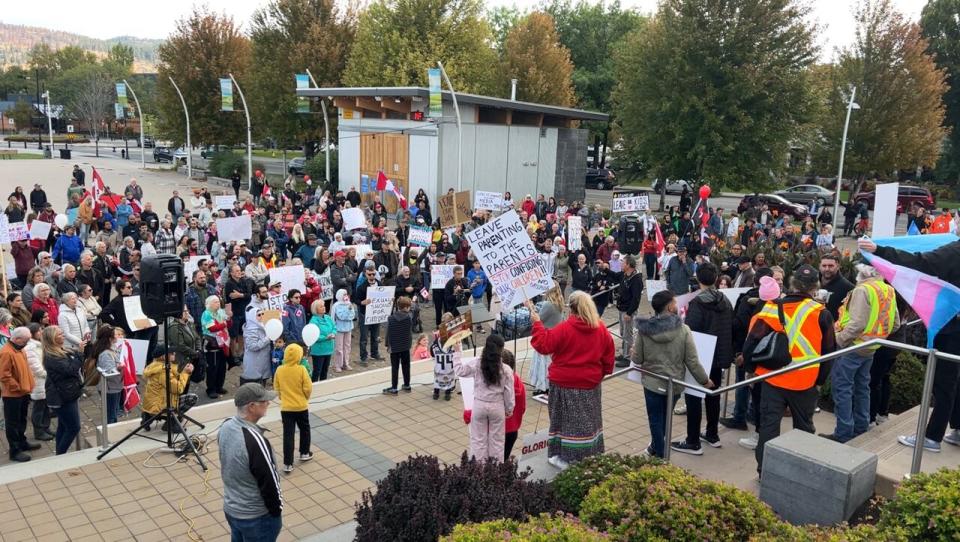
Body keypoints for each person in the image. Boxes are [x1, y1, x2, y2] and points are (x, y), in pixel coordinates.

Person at [743, 264, 836, 473]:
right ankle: (799, 471)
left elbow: (751, 342)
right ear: (815, 287)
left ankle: (764, 470)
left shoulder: (771, 307)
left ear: (791, 284)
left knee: (768, 426)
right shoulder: (822, 313)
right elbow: (829, 351)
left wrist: (750, 368)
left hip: (773, 378)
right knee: (803, 428)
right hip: (805, 381)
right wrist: (820, 380)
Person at [528, 291, 615, 469]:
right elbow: (609, 358)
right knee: (590, 421)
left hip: (564, 385)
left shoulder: (565, 328)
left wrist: (537, 324)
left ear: (571, 308)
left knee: (563, 422)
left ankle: (566, 458)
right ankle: (591, 453)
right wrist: (598, 374)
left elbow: (543, 345)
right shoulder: (600, 328)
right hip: (590, 385)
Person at [823, 264, 899, 443]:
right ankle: (861, 428)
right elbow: (895, 323)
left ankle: (843, 433)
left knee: (842, 389)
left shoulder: (862, 290)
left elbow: (856, 324)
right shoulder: (888, 289)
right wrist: (876, 337)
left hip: (852, 346)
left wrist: (838, 342)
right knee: (862, 388)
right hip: (871, 347)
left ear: (863, 272)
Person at [634, 290, 713, 458]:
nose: (677, 305)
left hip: (652, 382)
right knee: (665, 418)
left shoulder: (644, 329)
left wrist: (635, 351)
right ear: (670, 307)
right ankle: (659, 452)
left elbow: (638, 358)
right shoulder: (684, 330)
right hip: (675, 382)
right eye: (675, 302)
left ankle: (659, 452)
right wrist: (704, 380)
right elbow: (692, 360)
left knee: (655, 419)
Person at [670, 263, 733, 455]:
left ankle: (693, 440)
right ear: (715, 279)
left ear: (698, 279)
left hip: (700, 355)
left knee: (694, 397)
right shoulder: (724, 299)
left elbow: (690, 330)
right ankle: (712, 434)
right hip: (718, 354)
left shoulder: (697, 302)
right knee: (713, 393)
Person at [219, 383, 282, 541]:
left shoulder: (226, 426)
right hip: (256, 517)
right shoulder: (254, 441)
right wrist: (276, 512)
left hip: (232, 509)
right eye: (264, 401)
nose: (268, 403)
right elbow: (269, 482)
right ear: (252, 407)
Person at [455, 335, 515, 462]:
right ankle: (495, 471)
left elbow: (460, 371)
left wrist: (457, 352)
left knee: (478, 441)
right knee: (497, 442)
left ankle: (479, 470)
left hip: (479, 405)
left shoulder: (477, 363)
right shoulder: (506, 370)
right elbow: (509, 392)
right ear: (501, 349)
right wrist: (509, 408)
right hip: (497, 406)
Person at [274, 344, 313, 473]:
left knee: (288, 434)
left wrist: (283, 397)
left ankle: (288, 463)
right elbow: (308, 387)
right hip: (301, 406)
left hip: (286, 408)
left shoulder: (279, 370)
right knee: (304, 429)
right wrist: (304, 398)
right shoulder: (301, 369)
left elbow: (277, 387)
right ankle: (304, 452)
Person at [1, 327, 37, 462]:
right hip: (13, 395)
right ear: (17, 339)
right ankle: (14, 450)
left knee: (22, 419)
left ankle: (22, 442)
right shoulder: (6, 353)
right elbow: (4, 376)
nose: (28, 343)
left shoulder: (19, 349)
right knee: (13, 423)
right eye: (26, 340)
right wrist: (17, 387)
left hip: (23, 391)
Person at [140, 353, 194, 431]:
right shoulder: (163, 371)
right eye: (171, 353)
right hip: (160, 407)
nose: (174, 354)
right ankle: (170, 423)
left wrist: (182, 372)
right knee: (192, 398)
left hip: (151, 405)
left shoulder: (155, 365)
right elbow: (178, 389)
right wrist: (186, 373)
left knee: (179, 416)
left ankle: (148, 416)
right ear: (163, 356)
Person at [529, 286, 565, 395]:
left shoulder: (548, 304)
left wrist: (530, 307)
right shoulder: (560, 303)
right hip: (555, 337)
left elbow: (537, 320)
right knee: (548, 364)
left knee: (542, 365)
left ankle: (543, 387)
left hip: (545, 337)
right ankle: (548, 386)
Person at [24, 324, 52, 441]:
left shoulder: (40, 345)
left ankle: (46, 428)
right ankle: (39, 431)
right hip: (39, 382)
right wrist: (48, 373)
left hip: (44, 381)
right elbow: (36, 368)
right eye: (39, 330)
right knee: (39, 408)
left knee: (45, 406)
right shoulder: (30, 348)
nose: (41, 332)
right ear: (32, 333)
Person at [615, 255, 644, 367]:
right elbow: (614, 276)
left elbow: (636, 298)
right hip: (621, 308)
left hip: (628, 311)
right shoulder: (624, 275)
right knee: (623, 332)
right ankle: (624, 352)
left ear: (628, 265)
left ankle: (628, 357)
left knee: (628, 334)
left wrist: (629, 312)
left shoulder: (636, 279)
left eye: (623, 263)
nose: (621, 264)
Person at [201, 295, 231, 399]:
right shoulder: (206, 314)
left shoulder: (221, 312)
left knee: (222, 367)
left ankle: (219, 386)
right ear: (209, 304)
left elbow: (229, 324)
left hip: (222, 343)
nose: (218, 304)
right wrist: (224, 324)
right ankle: (211, 389)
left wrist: (229, 318)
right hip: (212, 344)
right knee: (213, 367)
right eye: (215, 302)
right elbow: (212, 328)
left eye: (218, 302)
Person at [93, 325, 124, 424]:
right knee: (111, 415)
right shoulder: (106, 353)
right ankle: (111, 436)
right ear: (110, 338)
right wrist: (120, 368)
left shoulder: (112, 348)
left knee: (114, 411)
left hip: (115, 386)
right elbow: (109, 372)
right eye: (115, 335)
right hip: (110, 388)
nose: (117, 337)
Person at [353, 267, 383, 365]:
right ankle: (363, 356)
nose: (372, 276)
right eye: (369, 274)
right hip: (365, 314)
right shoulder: (361, 287)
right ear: (365, 274)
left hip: (376, 313)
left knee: (375, 335)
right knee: (364, 337)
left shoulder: (380, 284)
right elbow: (356, 299)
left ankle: (375, 353)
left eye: (373, 274)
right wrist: (362, 302)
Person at [384, 296, 414, 394]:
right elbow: (415, 308)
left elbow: (388, 333)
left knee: (395, 367)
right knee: (406, 365)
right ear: (407, 307)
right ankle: (407, 384)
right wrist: (413, 301)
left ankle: (394, 387)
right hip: (405, 345)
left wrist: (387, 344)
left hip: (394, 346)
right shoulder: (409, 317)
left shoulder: (391, 318)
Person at [502, 349, 526, 460]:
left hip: (497, 430)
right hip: (512, 430)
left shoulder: (496, 386)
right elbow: (523, 408)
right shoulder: (519, 383)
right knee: (504, 458)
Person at [242, 307, 273, 387]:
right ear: (252, 317)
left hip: (262, 361)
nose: (262, 316)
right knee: (255, 387)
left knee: (262, 384)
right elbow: (252, 346)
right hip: (255, 363)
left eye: (263, 314)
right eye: (259, 315)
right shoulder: (251, 330)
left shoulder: (262, 325)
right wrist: (268, 338)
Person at [307, 300, 336, 382]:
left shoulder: (328, 318)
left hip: (328, 349)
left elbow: (334, 327)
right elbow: (313, 336)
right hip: (318, 351)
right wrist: (326, 337)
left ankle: (324, 387)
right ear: (315, 309)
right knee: (317, 371)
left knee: (325, 371)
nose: (324, 307)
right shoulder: (313, 321)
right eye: (321, 306)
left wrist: (333, 333)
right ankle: (314, 387)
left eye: (323, 305)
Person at [819, 254, 854, 320]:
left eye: (831, 266)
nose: (827, 269)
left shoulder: (848, 288)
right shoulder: (813, 283)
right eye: (824, 266)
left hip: (833, 328)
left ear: (838, 267)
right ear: (819, 267)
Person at [332, 290, 355, 372]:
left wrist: (349, 312)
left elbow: (352, 315)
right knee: (339, 347)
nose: (346, 296)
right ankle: (338, 365)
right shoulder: (336, 305)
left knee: (347, 346)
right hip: (339, 329)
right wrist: (347, 311)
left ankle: (346, 363)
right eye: (344, 294)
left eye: (346, 294)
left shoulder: (349, 303)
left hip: (348, 328)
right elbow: (341, 316)